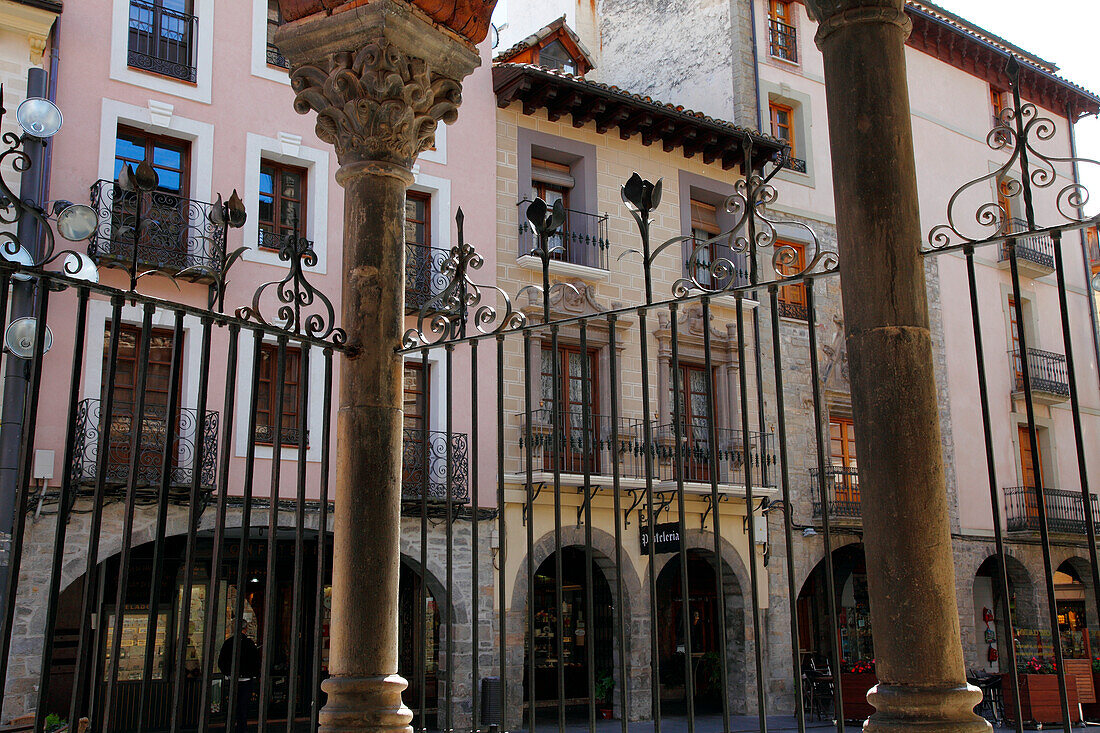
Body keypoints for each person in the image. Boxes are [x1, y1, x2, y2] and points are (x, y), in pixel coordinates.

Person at [218, 632, 261, 732]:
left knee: (231, 707)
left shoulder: (228, 643)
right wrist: (253, 674)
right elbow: (256, 661)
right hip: (246, 679)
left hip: (233, 679)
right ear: (245, 629)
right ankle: (242, 728)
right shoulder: (249, 643)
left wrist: (228, 673)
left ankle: (229, 727)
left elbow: (221, 661)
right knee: (243, 708)